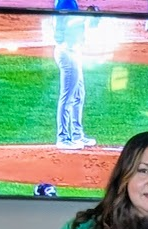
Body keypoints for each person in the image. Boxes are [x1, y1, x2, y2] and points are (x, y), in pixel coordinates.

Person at [53, 0, 95, 150]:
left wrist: (88, 16)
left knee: (78, 96)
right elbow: (66, 21)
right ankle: (63, 137)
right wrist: (87, 16)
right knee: (67, 97)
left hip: (73, 53)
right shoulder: (65, 2)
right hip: (67, 54)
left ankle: (77, 135)